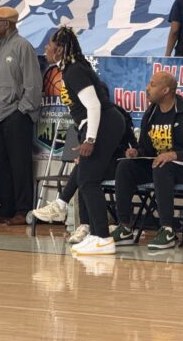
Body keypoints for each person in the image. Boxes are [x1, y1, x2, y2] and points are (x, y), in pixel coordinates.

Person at [45, 26, 125, 255]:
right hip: (100, 124)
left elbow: (94, 105)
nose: (46, 48)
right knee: (88, 177)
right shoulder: (71, 69)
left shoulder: (74, 71)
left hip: (104, 123)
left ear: (59, 49)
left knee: (89, 181)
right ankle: (92, 232)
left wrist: (90, 139)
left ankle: (102, 237)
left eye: (50, 44)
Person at [111, 72, 183, 250]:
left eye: (152, 84)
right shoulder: (151, 114)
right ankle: (125, 227)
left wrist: (174, 155)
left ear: (165, 90)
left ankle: (168, 230)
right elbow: (147, 150)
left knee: (163, 166)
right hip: (161, 168)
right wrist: (136, 152)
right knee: (125, 166)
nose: (147, 88)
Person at [31, 83, 138, 244]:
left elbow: (132, 144)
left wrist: (132, 151)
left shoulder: (117, 116)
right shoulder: (86, 117)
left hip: (117, 164)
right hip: (97, 163)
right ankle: (83, 223)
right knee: (85, 172)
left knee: (86, 173)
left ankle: (67, 208)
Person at [0, 6, 42, 226]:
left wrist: (23, 110)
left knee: (19, 164)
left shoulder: (22, 46)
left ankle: (22, 209)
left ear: (6, 24)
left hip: (16, 114)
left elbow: (33, 83)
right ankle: (4, 208)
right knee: (0, 165)